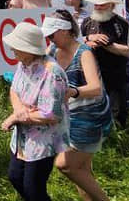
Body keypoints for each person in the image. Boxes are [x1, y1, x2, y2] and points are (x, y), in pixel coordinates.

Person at [43, 13, 112, 201]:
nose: (49, 38)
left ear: (66, 31)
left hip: (91, 117)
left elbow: (95, 88)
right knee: (81, 170)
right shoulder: (52, 50)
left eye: (52, 34)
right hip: (69, 116)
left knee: (65, 165)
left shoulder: (84, 53)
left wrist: (73, 92)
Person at [0, 22, 69, 201]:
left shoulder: (52, 73)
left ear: (29, 49)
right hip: (22, 139)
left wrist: (17, 118)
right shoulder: (24, 63)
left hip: (43, 141)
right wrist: (19, 109)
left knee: (33, 189)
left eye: (17, 46)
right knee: (15, 177)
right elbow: (14, 90)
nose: (12, 49)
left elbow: (51, 114)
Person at [80, 0, 129, 128]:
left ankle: (118, 139)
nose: (98, 7)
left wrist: (106, 44)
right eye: (96, 4)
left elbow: (127, 51)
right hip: (91, 73)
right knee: (92, 108)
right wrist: (89, 39)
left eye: (102, 5)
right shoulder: (87, 22)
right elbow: (77, 43)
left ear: (111, 5)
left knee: (117, 109)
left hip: (115, 73)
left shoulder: (122, 24)